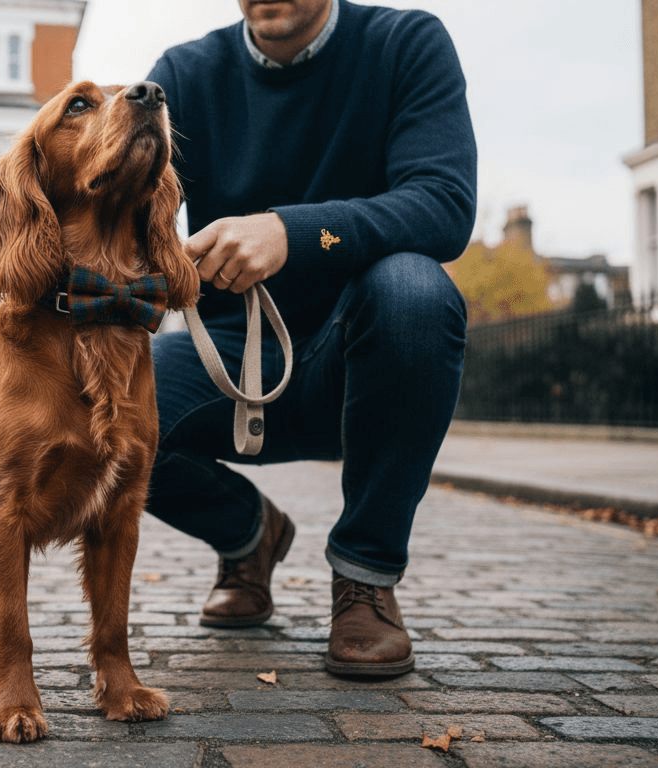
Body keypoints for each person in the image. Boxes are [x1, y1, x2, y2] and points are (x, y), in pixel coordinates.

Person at [144, 0, 477, 677]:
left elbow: (443, 203)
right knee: (96, 405)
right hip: (227, 361)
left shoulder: (405, 43)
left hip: (360, 353)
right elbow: (119, 214)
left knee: (415, 289)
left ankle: (365, 574)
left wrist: (292, 233)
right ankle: (247, 534)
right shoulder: (184, 75)